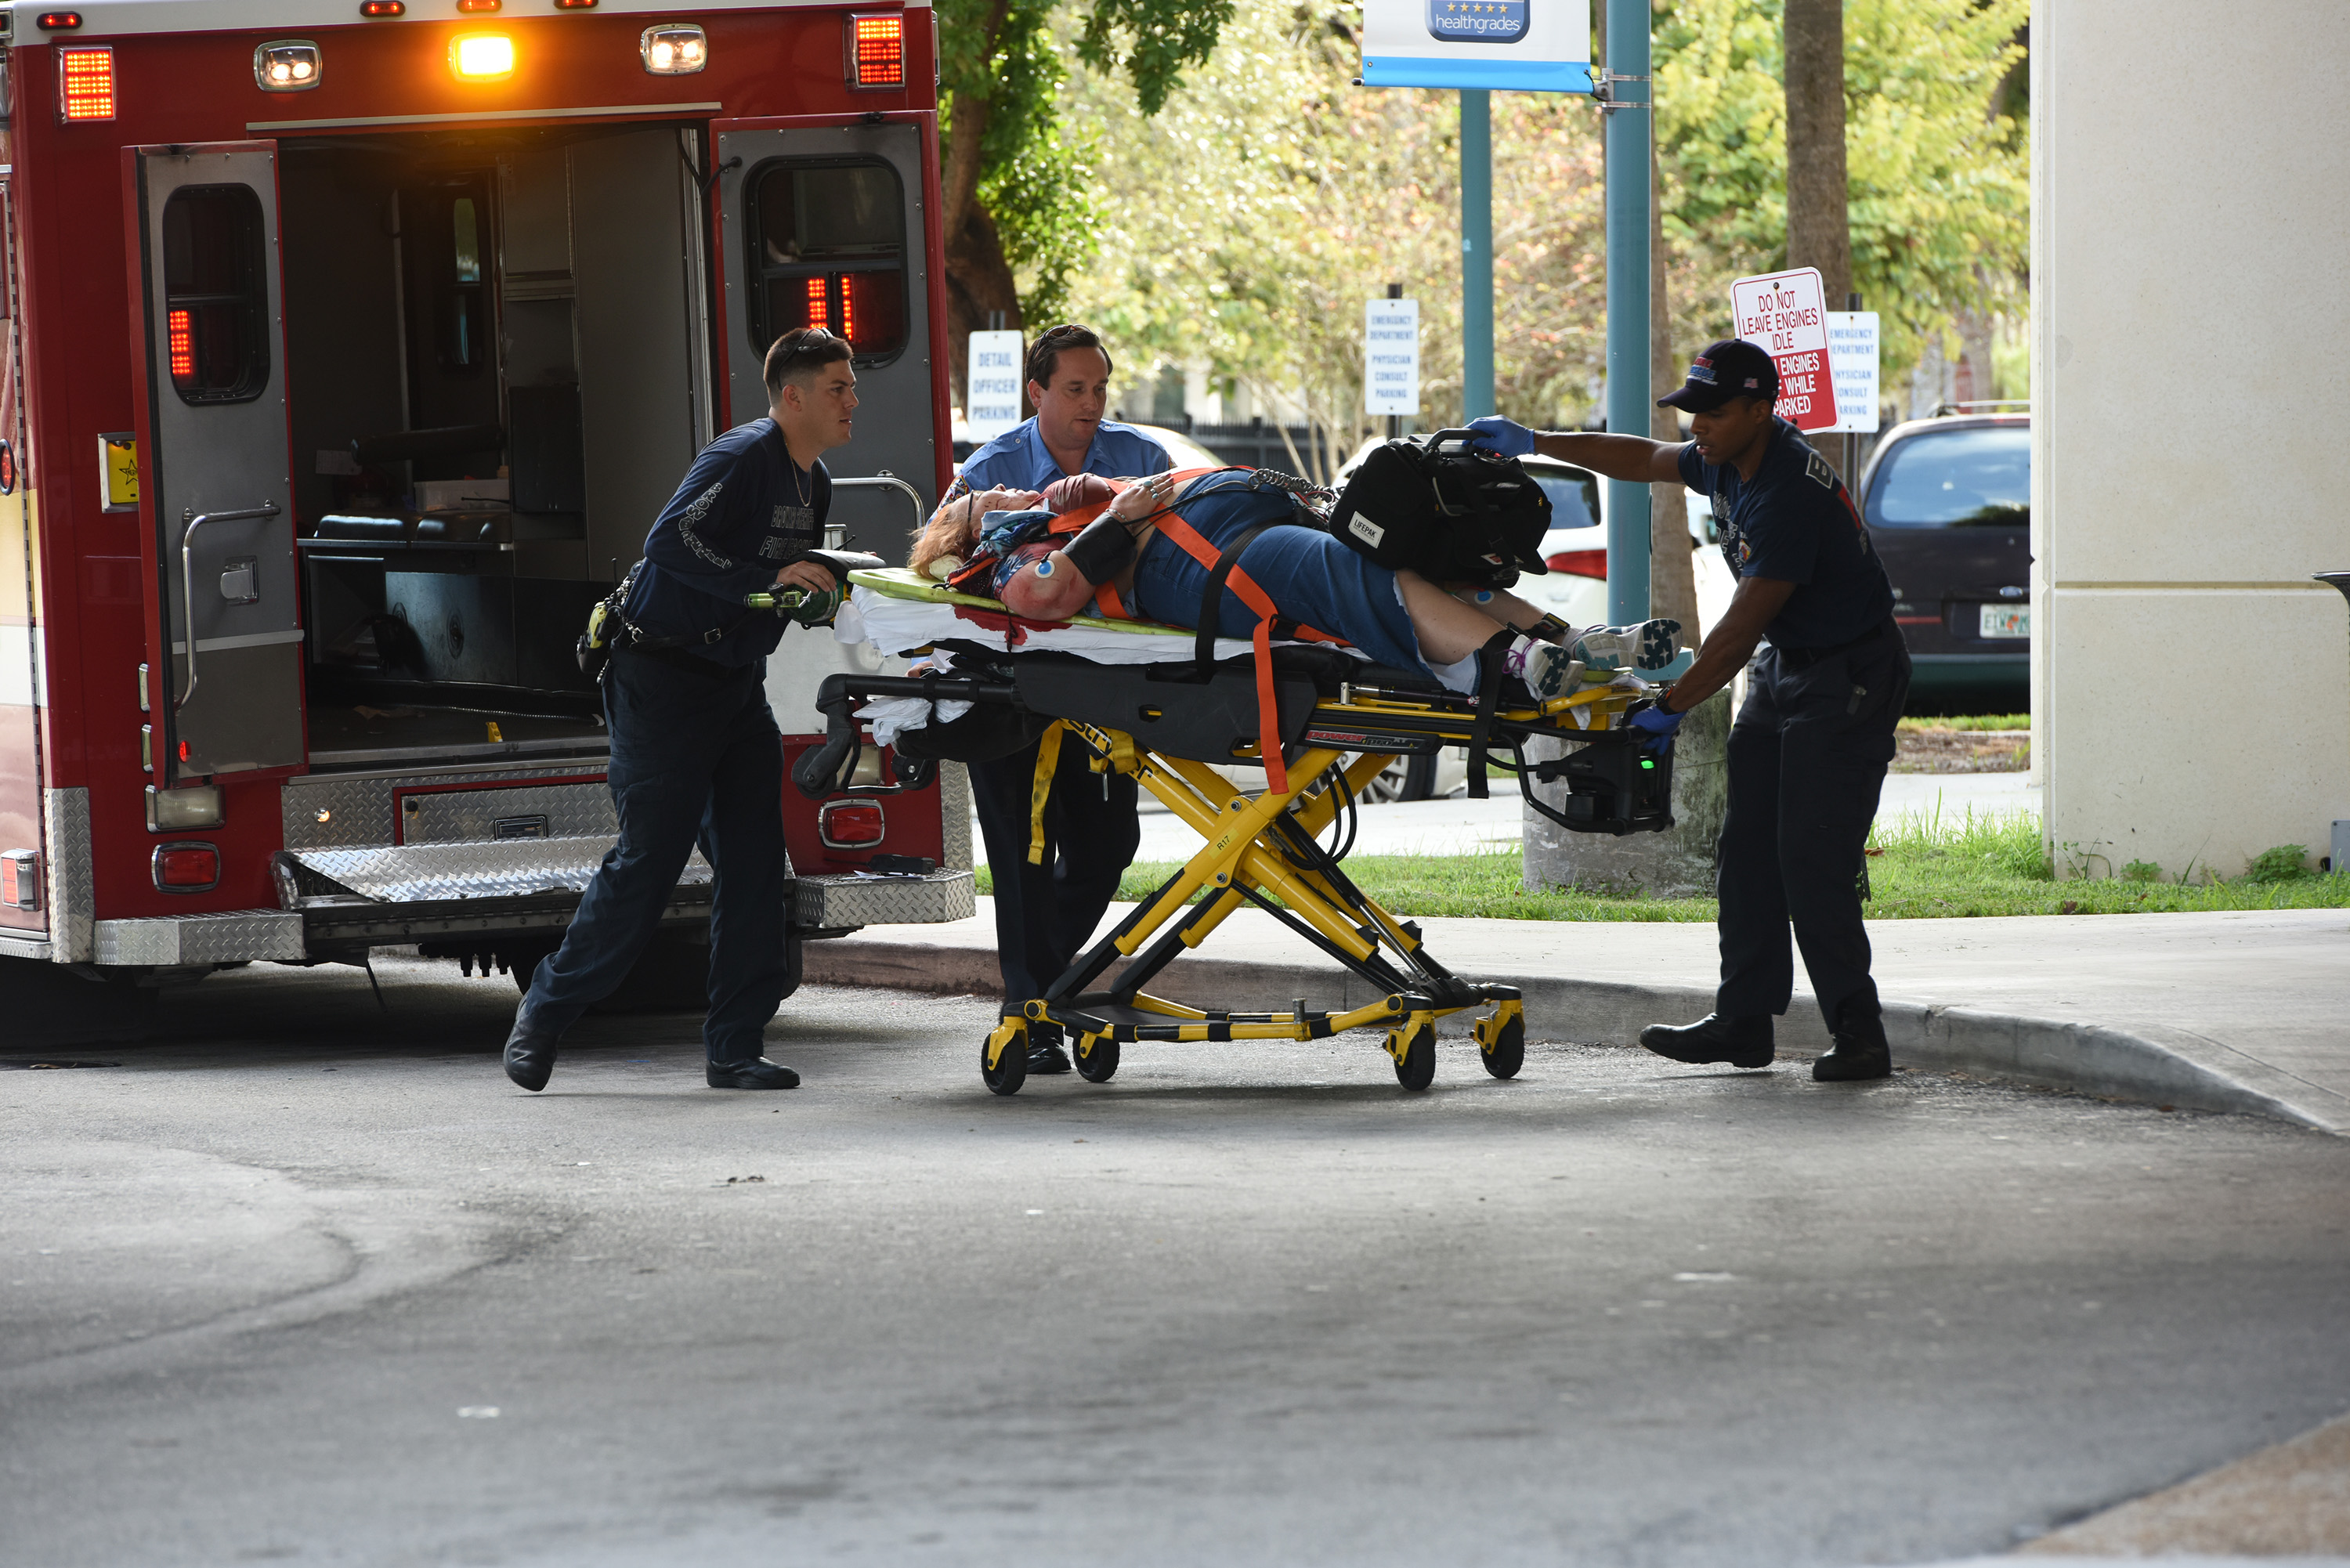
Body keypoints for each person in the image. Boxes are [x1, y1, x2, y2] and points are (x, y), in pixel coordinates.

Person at [1467, 337, 1910, 1082]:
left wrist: (1673, 701)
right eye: (1692, 409)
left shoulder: (1787, 493)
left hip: (1849, 674)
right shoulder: (1727, 458)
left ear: (1760, 411)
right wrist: (1535, 441)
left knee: (1812, 855)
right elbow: (1642, 459)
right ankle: (1744, 1022)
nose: (1696, 424)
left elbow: (1741, 623)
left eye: (1713, 411)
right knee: (1746, 854)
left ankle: (1860, 1035)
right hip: (1788, 665)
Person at [501, 327, 860, 1093]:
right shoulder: (739, 458)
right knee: (648, 865)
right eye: (838, 388)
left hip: (734, 688)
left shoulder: (814, 482)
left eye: (852, 386)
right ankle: (545, 1009)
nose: (852, 401)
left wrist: (809, 596)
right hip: (659, 682)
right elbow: (670, 544)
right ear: (791, 397)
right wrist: (768, 573)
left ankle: (734, 1047)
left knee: (757, 866)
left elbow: (765, 587)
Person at [944, 325, 1173, 1076]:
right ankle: (1033, 1015)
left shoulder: (1142, 462)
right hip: (1016, 691)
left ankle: (1047, 993)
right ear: (1036, 392)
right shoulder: (991, 470)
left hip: (1110, 688)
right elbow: (947, 568)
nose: (1091, 403)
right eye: (1075, 389)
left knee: (1111, 846)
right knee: (1023, 859)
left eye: (1101, 388)